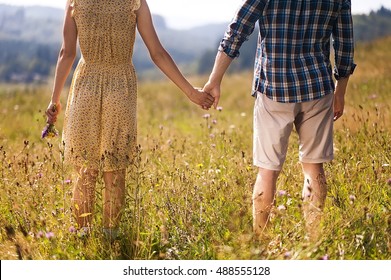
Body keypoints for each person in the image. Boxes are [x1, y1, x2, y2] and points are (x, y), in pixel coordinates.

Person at [45, 0, 214, 240]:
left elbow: (67, 53)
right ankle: (111, 238)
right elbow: (157, 53)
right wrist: (191, 92)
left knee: (85, 169)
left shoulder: (76, 1)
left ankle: (83, 238)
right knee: (115, 168)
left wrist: (54, 101)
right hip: (120, 86)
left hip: (86, 84)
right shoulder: (135, 2)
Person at [203, 0, 356, 240]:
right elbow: (345, 43)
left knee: (267, 171)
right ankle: (313, 241)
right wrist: (341, 91)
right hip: (317, 86)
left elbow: (239, 28)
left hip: (274, 87)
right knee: (314, 167)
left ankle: (261, 242)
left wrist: (215, 79)